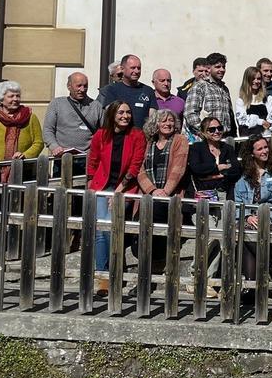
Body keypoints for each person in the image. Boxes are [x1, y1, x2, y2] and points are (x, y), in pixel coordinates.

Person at [86, 101, 145, 288]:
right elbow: (93, 161)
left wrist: (119, 192)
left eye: (128, 112)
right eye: (121, 112)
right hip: (102, 185)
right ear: (112, 114)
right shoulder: (101, 135)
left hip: (125, 187)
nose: (125, 116)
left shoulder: (137, 135)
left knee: (110, 225)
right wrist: (91, 186)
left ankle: (114, 271)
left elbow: (135, 165)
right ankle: (103, 276)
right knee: (100, 228)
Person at [187, 115, 241, 298]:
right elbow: (196, 169)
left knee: (222, 237)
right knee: (209, 235)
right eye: (212, 129)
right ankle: (195, 275)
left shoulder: (228, 149)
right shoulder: (196, 148)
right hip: (203, 199)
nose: (217, 132)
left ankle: (208, 280)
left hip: (224, 198)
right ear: (203, 132)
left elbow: (235, 172)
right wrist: (220, 168)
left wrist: (212, 174)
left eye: (219, 128)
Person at [136, 109, 189, 274]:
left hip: (170, 195)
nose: (168, 124)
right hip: (149, 194)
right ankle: (150, 262)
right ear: (156, 124)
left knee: (158, 217)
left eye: (171, 121)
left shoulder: (180, 140)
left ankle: (154, 264)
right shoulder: (147, 142)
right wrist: (151, 190)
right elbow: (139, 167)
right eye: (164, 121)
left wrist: (165, 191)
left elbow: (178, 169)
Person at [234, 134, 272, 286]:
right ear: (252, 153)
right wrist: (247, 217)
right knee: (244, 230)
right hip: (250, 222)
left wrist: (265, 216)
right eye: (260, 149)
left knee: (247, 234)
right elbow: (238, 202)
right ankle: (266, 271)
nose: (265, 151)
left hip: (271, 220)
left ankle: (254, 281)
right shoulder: (244, 177)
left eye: (266, 147)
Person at [0, 81, 45, 182]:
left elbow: (39, 142)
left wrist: (25, 155)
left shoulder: (31, 117)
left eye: (18, 96)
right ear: (1, 99)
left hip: (23, 170)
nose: (15, 99)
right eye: (11, 96)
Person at [43, 72, 102, 165]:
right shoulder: (57, 104)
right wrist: (54, 146)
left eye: (85, 86)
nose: (82, 89)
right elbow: (48, 130)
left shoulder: (96, 106)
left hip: (88, 159)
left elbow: (104, 132)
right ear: (69, 86)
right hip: (63, 158)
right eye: (78, 86)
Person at [97, 55, 158, 129]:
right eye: (133, 68)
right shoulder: (112, 90)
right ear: (122, 69)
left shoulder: (148, 91)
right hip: (119, 137)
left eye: (139, 68)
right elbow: (110, 116)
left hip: (141, 137)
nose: (136, 71)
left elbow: (152, 120)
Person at [184, 52, 235, 137]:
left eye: (223, 67)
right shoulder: (200, 86)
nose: (222, 70)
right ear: (208, 69)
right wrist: (206, 132)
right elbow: (190, 113)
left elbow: (230, 116)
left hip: (223, 139)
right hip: (205, 140)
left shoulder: (225, 89)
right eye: (218, 67)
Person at [234, 66, 272, 138]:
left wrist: (266, 125)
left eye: (258, 79)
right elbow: (242, 120)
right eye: (253, 79)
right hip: (247, 138)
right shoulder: (241, 100)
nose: (256, 81)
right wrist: (260, 121)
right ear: (247, 80)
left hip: (264, 136)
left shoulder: (268, 98)